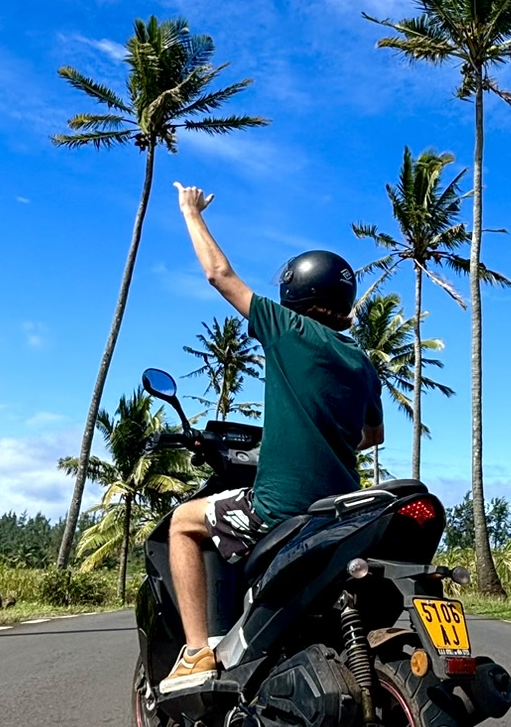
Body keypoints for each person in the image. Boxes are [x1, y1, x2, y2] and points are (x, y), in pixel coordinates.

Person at [159, 181, 384, 695]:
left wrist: (190, 211)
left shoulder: (285, 328)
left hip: (282, 508)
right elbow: (372, 435)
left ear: (294, 292)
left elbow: (219, 274)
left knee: (182, 523)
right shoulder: (362, 363)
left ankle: (196, 652)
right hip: (338, 511)